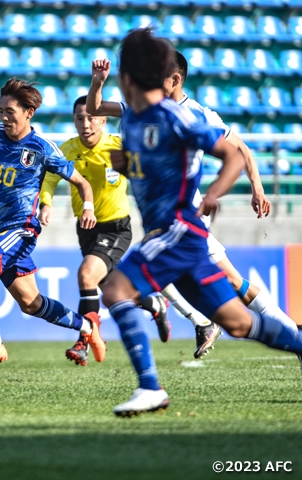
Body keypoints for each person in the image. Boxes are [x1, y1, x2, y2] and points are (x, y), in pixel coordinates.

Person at [101, 28, 302, 417]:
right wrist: (128, 167)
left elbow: (234, 155)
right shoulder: (132, 122)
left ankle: (150, 388)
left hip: (176, 230)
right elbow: (146, 167)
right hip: (180, 240)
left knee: (114, 289)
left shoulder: (175, 116)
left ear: (127, 77)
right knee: (240, 324)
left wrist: (212, 194)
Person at [86, 51, 287, 359]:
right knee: (232, 286)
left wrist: (257, 188)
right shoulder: (145, 107)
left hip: (186, 219)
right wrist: (97, 82)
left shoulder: (196, 114)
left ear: (175, 79)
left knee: (125, 285)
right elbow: (95, 107)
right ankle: (276, 332)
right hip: (168, 220)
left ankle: (198, 333)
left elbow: (241, 149)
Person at [0, 78, 105, 365]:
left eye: (10, 111)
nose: (3, 116)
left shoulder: (43, 148)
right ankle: (87, 327)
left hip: (21, 229)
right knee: (31, 304)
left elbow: (82, 183)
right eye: (1, 110)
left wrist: (88, 208)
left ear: (28, 113)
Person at [39, 96, 170, 366]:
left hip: (116, 227)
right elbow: (50, 179)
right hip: (86, 228)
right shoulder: (66, 150)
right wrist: (45, 204)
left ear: (102, 119)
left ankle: (83, 339)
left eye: (90, 117)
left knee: (86, 275)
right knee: (111, 290)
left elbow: (147, 173)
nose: (85, 123)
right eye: (79, 118)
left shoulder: (118, 147)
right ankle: (154, 304)